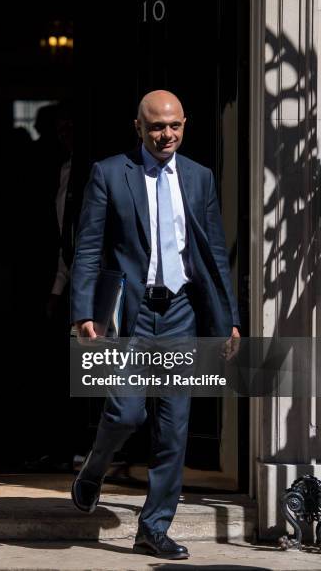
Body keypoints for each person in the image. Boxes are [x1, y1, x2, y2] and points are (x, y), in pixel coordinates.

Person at [70, 90, 240, 560]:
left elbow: (213, 255)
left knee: (174, 426)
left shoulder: (200, 177)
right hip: (131, 311)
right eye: (157, 127)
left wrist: (227, 321)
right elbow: (88, 247)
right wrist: (85, 312)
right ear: (138, 128)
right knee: (126, 412)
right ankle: (93, 471)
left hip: (181, 311)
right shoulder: (109, 173)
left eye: (175, 126)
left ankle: (154, 527)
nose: (167, 135)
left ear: (185, 124)